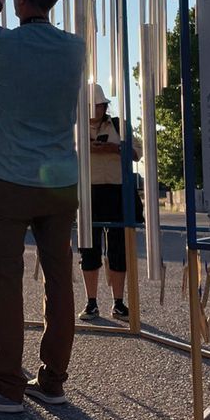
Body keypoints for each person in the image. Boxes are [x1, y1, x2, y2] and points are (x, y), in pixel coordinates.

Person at [0, 0, 84, 413]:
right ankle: (53, 381)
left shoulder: (3, 43)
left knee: (6, 281)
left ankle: (8, 384)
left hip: (8, 177)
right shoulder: (76, 48)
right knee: (59, 281)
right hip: (61, 181)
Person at [80, 83, 142, 322]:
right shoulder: (77, 128)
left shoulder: (119, 125)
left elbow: (137, 153)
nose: (95, 109)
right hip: (89, 192)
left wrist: (114, 148)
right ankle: (91, 302)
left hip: (117, 192)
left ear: (104, 105)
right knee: (89, 249)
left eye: (97, 105)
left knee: (118, 250)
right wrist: (88, 149)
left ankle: (118, 303)